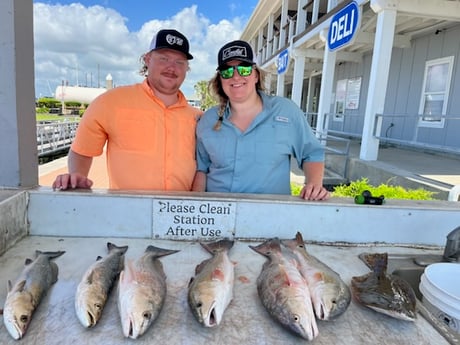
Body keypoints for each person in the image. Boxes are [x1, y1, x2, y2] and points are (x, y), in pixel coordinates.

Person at [52, 29, 202, 191]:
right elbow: (82, 149)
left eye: (179, 62)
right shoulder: (110, 102)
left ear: (187, 68)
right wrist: (77, 176)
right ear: (147, 59)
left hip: (181, 214)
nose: (171, 67)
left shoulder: (199, 118)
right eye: (163, 58)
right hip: (127, 211)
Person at [192, 40, 329, 201]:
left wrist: (314, 184)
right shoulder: (208, 120)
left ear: (256, 75)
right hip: (219, 214)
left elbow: (311, 153)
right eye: (227, 72)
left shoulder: (286, 111)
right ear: (220, 80)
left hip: (270, 217)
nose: (236, 76)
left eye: (243, 69)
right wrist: (197, 211)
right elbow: (202, 169)